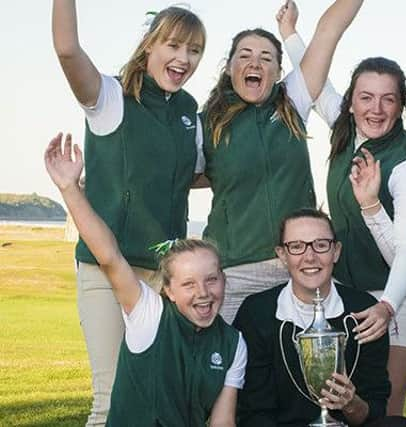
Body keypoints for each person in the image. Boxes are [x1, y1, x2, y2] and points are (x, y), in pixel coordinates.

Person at [277, 5, 406, 415]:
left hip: (398, 295)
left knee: (384, 408)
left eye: (388, 100)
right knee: (341, 406)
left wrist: (388, 305)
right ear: (350, 102)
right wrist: (288, 32)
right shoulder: (344, 128)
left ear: (400, 106)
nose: (376, 109)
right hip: (346, 294)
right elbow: (312, 77)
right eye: (366, 97)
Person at [52, 2, 207, 424]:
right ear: (149, 44)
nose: (183, 59)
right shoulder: (109, 96)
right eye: (173, 45)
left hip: (162, 276)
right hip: (105, 268)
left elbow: (194, 175)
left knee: (157, 399)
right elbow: (67, 50)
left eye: (194, 50)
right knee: (111, 399)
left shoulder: (188, 110)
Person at [44, 133, 246, 427]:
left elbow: (222, 423)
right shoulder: (150, 315)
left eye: (211, 279)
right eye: (188, 284)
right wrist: (69, 188)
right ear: (169, 291)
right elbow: (109, 256)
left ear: (223, 280)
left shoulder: (233, 344)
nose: (203, 292)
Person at [199, 0, 364, 324]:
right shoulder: (205, 125)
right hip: (234, 272)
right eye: (244, 56)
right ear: (229, 67)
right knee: (232, 371)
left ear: (278, 71)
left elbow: (329, 29)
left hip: (299, 267)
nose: (255, 63)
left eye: (266, 58)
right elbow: (181, 175)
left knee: (305, 369)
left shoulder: (293, 100)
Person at [233, 208, 406, 427]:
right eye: (296, 246)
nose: (309, 256)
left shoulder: (363, 311)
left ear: (336, 251)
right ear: (282, 255)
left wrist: (351, 403)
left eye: (321, 245)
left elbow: (374, 412)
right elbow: (254, 411)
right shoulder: (257, 312)